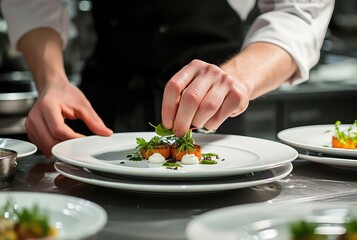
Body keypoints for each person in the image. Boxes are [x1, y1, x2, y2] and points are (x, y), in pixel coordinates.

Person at [1, 0, 334, 157]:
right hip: (100, 106)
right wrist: (52, 80)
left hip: (214, 117)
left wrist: (237, 78)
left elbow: (299, 13)